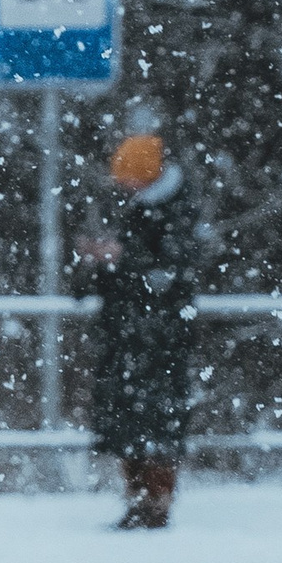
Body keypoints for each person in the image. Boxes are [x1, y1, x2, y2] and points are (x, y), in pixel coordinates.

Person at [78, 118, 198, 531]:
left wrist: (119, 259)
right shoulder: (153, 209)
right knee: (134, 421)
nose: (124, 185)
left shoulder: (169, 212)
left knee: (151, 420)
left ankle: (154, 503)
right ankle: (142, 501)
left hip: (154, 335)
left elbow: (170, 270)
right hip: (137, 333)